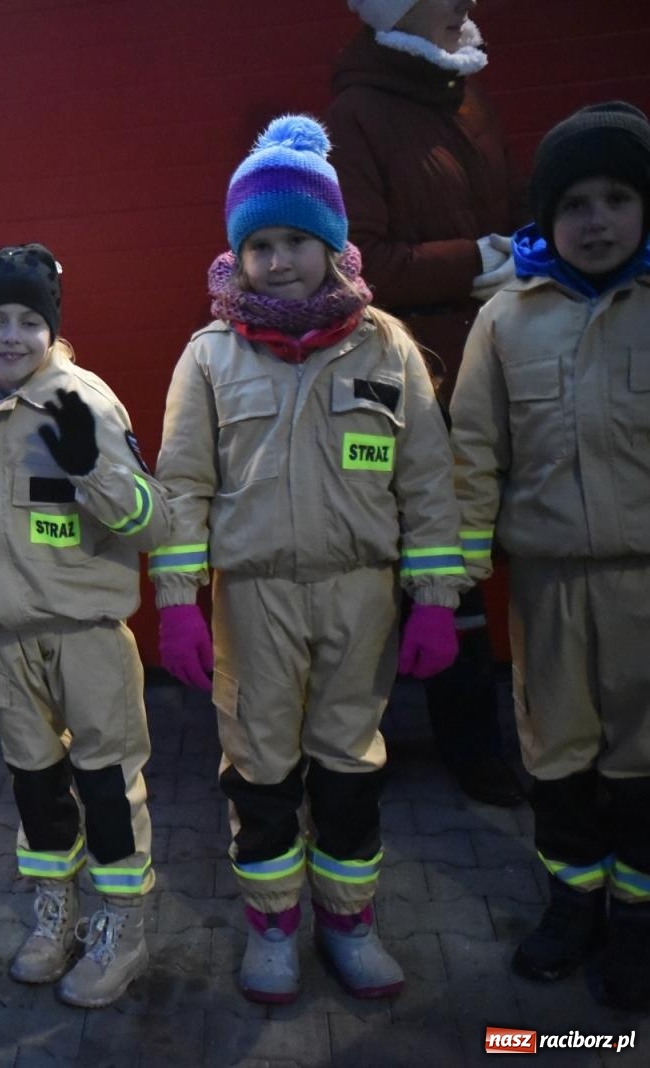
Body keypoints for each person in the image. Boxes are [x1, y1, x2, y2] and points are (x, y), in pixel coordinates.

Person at [152, 115, 468, 1004]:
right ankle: (273, 929)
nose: (279, 260)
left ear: (333, 246)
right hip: (252, 604)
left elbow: (429, 482)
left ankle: (350, 924)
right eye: (259, 245)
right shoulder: (210, 358)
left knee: (348, 767)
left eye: (296, 240)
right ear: (237, 256)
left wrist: (437, 598)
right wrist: (178, 599)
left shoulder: (388, 348)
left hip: (360, 596)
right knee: (260, 770)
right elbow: (181, 486)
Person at [450, 101, 650, 1012]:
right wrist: (452, 575)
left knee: (644, 760)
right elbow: (473, 453)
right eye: (575, 204)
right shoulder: (507, 323)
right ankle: (573, 908)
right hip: (548, 586)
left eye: (617, 198)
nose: (597, 220)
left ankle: (640, 922)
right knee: (560, 754)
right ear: (545, 217)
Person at [0, 242, 172, 1008]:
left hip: (85, 636)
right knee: (37, 794)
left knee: (107, 790)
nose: (11, 336)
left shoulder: (85, 402)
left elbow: (152, 521)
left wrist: (93, 471)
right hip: (10, 644)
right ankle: (58, 917)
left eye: (28, 322)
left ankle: (123, 931)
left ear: (51, 330)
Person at [330, 0, 527, 805]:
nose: (465, 5)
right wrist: (479, 258)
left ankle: (481, 729)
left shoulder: (465, 94)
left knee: (470, 550)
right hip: (410, 375)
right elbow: (361, 261)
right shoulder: (358, 117)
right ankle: (386, 740)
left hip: (490, 363)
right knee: (425, 557)